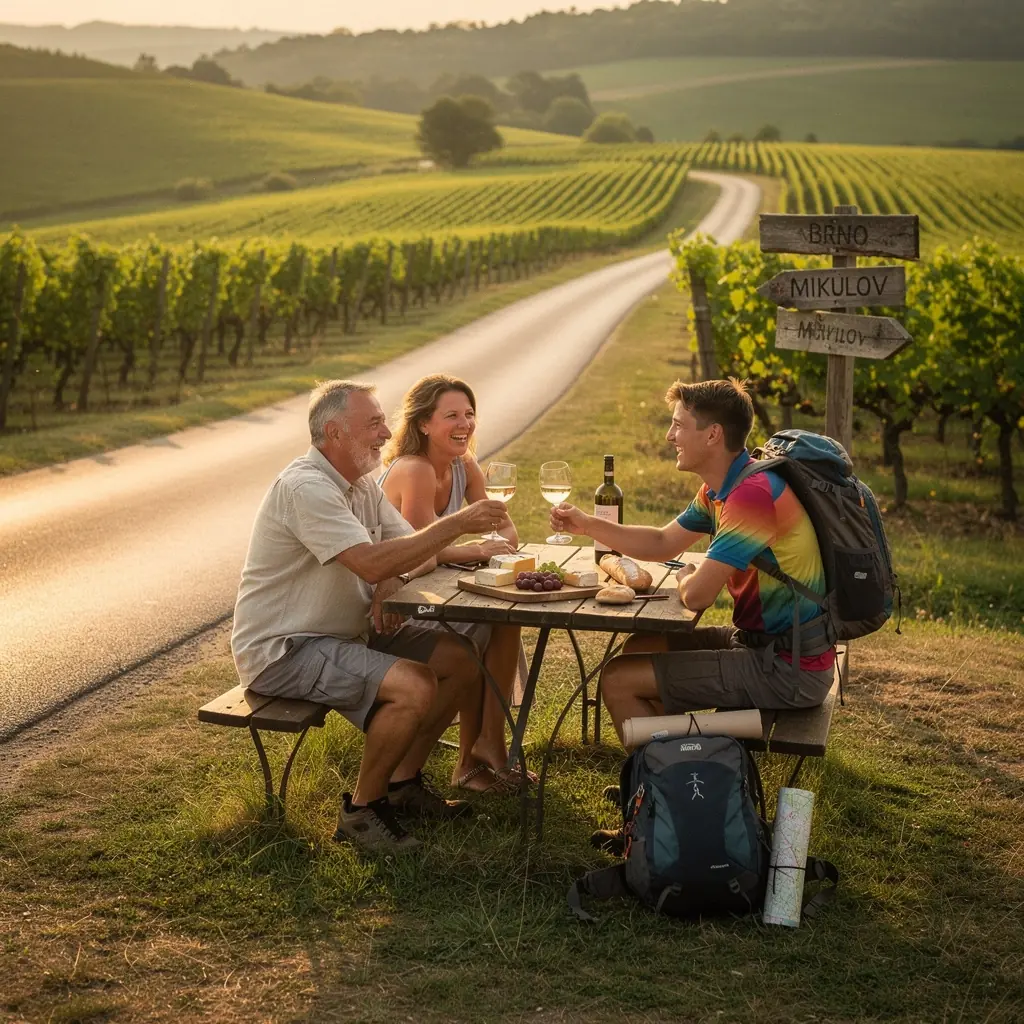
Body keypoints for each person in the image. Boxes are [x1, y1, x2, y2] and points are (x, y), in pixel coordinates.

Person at [231, 379, 511, 854]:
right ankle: (361, 812)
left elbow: (417, 553)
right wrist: (452, 527)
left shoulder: (360, 484)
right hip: (287, 648)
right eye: (374, 423)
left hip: (345, 635)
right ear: (335, 433)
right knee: (415, 683)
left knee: (460, 656)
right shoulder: (306, 487)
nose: (387, 432)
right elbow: (378, 557)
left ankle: (402, 784)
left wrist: (389, 579)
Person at [549, 376, 835, 755]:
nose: (670, 436)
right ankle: (675, 773)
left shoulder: (751, 496)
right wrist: (586, 523)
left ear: (713, 434)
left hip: (788, 669)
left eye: (679, 425)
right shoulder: (723, 487)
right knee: (640, 648)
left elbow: (698, 596)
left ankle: (668, 792)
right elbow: (662, 541)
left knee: (619, 680)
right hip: (759, 646)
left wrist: (686, 577)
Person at [380, 373, 530, 794]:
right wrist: (475, 549)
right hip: (393, 606)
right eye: (451, 415)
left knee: (501, 619)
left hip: (427, 591)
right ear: (423, 424)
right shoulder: (415, 469)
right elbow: (419, 551)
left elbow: (508, 534)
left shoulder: (464, 465)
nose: (464, 424)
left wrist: (476, 545)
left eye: (469, 414)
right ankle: (474, 759)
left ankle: (484, 750)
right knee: (482, 627)